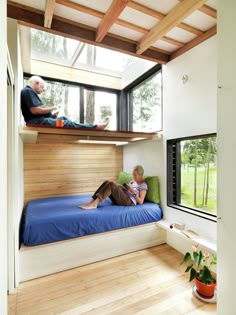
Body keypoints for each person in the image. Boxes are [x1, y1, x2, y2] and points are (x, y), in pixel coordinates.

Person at [21, 75, 108, 130]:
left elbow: (37, 111)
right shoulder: (27, 91)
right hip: (36, 122)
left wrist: (52, 116)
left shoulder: (29, 92)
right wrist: (53, 107)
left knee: (63, 118)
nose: (42, 90)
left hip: (40, 120)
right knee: (68, 123)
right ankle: (95, 127)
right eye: (42, 87)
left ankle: (83, 128)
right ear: (37, 83)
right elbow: (35, 110)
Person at [79, 165, 148, 209]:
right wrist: (122, 187)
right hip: (123, 197)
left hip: (130, 202)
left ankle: (94, 204)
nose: (134, 177)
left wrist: (133, 192)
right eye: (133, 175)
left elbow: (141, 201)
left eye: (135, 175)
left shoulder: (143, 185)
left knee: (111, 184)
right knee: (107, 182)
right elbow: (127, 191)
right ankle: (92, 202)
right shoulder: (133, 181)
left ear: (140, 175)